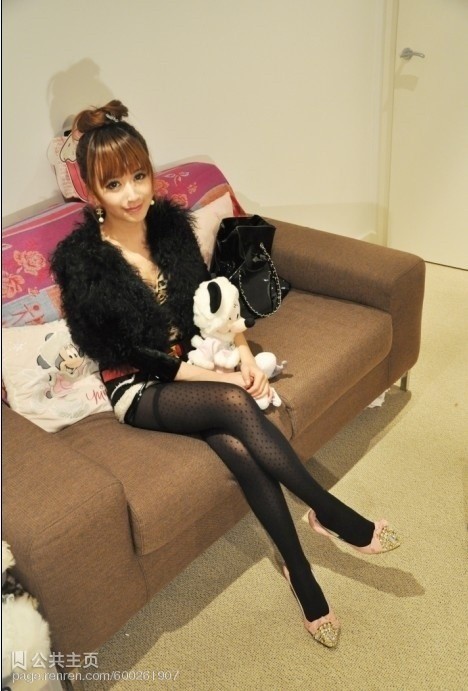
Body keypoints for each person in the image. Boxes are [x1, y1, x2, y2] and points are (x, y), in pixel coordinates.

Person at [50, 100, 400, 649]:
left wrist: (241, 352)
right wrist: (225, 380)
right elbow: (131, 352)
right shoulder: (84, 263)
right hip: (140, 384)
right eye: (114, 184)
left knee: (239, 448)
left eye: (139, 176)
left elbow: (211, 296)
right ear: (92, 192)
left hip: (196, 358)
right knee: (235, 403)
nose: (132, 194)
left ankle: (300, 573)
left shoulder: (168, 227)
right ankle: (329, 511)